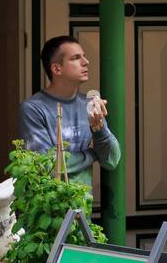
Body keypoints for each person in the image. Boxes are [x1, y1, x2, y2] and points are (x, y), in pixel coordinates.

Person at [20, 35, 121, 189]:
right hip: (47, 207)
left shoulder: (89, 104)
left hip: (82, 207)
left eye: (84, 56)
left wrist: (99, 129)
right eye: (76, 58)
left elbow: (111, 160)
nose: (86, 62)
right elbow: (45, 166)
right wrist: (92, 154)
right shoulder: (33, 108)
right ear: (56, 68)